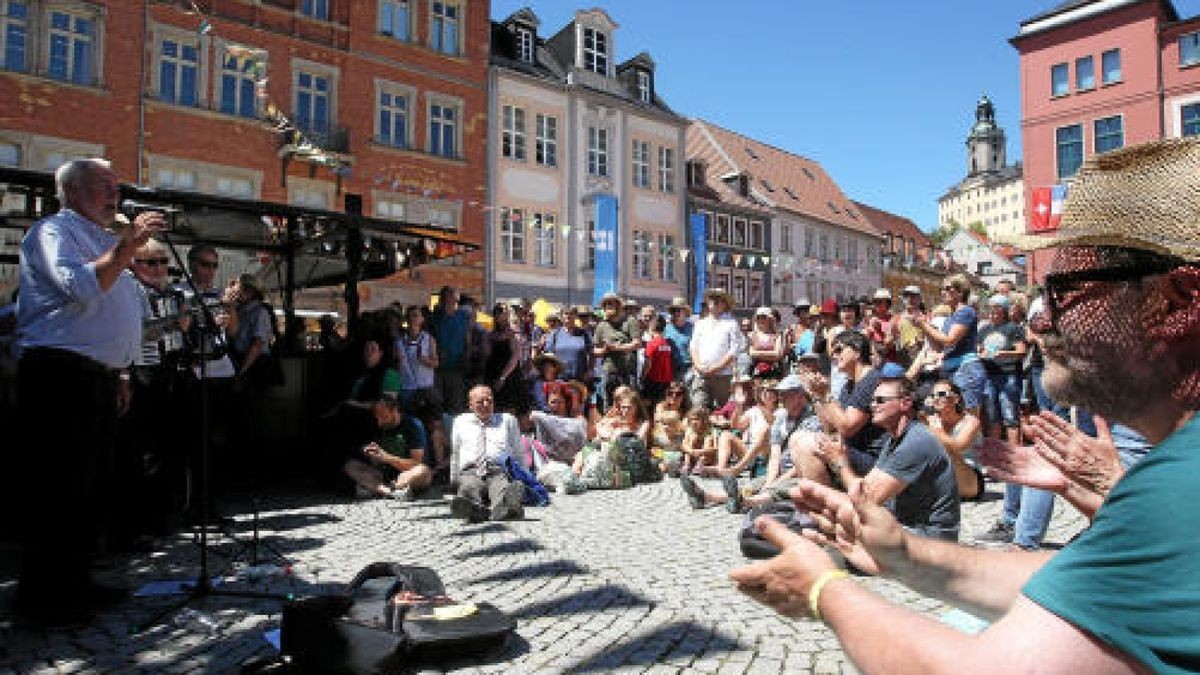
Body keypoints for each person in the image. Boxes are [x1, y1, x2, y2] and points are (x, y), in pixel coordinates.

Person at [730, 137, 1200, 674]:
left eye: (1066, 293)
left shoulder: (1182, 486)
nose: (1041, 320)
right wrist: (904, 555)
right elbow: (1072, 586)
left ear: (1176, 303)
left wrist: (823, 592)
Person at [13, 158, 165, 628]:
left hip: (97, 376)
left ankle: (76, 582)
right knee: (58, 489)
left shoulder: (104, 239)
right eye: (104, 187)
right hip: (59, 374)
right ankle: (44, 600)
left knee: (90, 488)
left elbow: (113, 308)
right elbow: (80, 288)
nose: (114, 195)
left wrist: (120, 372)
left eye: (115, 187)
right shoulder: (52, 232)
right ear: (73, 191)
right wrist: (125, 249)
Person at [681, 374, 823, 512]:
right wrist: (770, 480)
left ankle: (743, 502)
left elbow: (803, 464)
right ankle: (707, 496)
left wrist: (776, 482)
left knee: (778, 488)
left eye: (785, 394)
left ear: (799, 396)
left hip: (800, 473)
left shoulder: (811, 420)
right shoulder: (781, 418)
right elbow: (775, 456)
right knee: (753, 486)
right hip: (777, 467)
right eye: (781, 394)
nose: (782, 398)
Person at [797, 330, 887, 483]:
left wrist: (826, 394)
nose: (833, 356)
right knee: (799, 439)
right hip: (851, 453)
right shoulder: (849, 385)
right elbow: (830, 428)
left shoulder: (871, 380)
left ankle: (826, 500)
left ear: (857, 352)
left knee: (806, 442)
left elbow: (847, 428)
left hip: (874, 462)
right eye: (832, 352)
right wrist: (816, 394)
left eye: (839, 349)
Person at [449, 385, 525, 522]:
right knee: (468, 488)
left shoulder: (507, 420)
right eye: (480, 402)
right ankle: (473, 509)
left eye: (489, 401)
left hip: (498, 470)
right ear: (470, 405)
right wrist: (454, 479)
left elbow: (518, 451)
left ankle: (504, 507)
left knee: (502, 488)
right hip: (470, 471)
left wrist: (523, 476)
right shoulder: (460, 421)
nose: (486, 405)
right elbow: (455, 451)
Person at [914, 273, 985, 416]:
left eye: (948, 288)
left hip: (966, 370)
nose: (943, 292)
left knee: (969, 416)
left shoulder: (966, 312)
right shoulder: (950, 317)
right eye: (942, 289)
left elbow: (950, 340)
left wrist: (924, 325)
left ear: (960, 292)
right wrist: (925, 326)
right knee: (955, 415)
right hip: (952, 370)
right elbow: (941, 346)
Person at [343, 397, 433, 500]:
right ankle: (390, 492)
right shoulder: (378, 425)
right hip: (383, 474)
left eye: (383, 417)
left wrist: (386, 457)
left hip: (406, 475)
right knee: (350, 465)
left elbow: (415, 463)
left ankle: (380, 488)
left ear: (394, 411)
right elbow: (374, 460)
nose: (379, 422)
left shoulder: (413, 425)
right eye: (377, 417)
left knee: (423, 471)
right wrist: (369, 454)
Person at [923, 380, 986, 501]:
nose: (935, 399)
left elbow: (959, 447)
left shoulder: (971, 422)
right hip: (941, 475)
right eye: (932, 396)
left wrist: (938, 432)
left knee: (947, 453)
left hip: (969, 476)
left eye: (941, 394)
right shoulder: (931, 421)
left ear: (956, 399)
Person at [977, 294, 1026, 447]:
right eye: (990, 307)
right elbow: (979, 349)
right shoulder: (984, 330)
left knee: (1011, 417)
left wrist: (1004, 354)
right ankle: (996, 455)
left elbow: (1021, 351)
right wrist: (980, 354)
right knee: (993, 417)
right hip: (989, 375)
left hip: (1009, 375)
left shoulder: (1013, 328)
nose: (993, 311)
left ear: (1004, 310)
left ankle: (1016, 454)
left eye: (996, 307)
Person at [689, 288, 745, 410]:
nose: (714, 302)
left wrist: (717, 367)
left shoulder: (731, 323)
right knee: (698, 407)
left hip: (723, 375)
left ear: (724, 304)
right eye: (712, 299)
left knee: (722, 410)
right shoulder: (700, 323)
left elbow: (734, 350)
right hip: (701, 373)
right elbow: (693, 347)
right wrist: (698, 365)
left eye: (718, 300)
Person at [592, 293, 639, 412]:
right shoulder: (601, 325)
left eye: (611, 303)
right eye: (606, 304)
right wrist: (604, 350)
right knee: (609, 404)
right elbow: (594, 350)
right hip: (609, 371)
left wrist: (617, 348)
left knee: (628, 404)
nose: (608, 306)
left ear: (618, 305)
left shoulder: (630, 321)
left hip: (627, 372)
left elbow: (637, 344)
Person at [430, 286, 471, 414]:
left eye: (455, 301)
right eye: (449, 301)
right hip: (436, 371)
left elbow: (467, 340)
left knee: (456, 408)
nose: (453, 304)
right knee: (437, 407)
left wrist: (466, 357)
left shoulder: (462, 317)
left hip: (456, 371)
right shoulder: (433, 319)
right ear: (441, 301)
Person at [483, 303, 526, 414]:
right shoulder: (490, 335)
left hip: (509, 376)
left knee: (509, 411)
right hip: (492, 374)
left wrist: (502, 377)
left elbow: (515, 358)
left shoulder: (514, 334)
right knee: (493, 408)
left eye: (502, 312)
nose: (499, 315)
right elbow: (487, 355)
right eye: (497, 312)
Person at [543, 306, 592, 384]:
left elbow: (591, 354)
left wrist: (589, 371)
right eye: (566, 313)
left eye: (571, 313)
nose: (568, 316)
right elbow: (549, 355)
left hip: (579, 379)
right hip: (559, 379)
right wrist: (549, 374)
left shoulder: (584, 334)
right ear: (561, 316)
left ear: (576, 316)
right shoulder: (555, 334)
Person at [641, 315, 674, 406]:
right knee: (661, 405)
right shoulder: (667, 343)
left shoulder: (652, 343)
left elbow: (648, 364)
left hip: (653, 381)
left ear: (652, 327)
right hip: (666, 381)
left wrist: (642, 377)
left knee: (649, 406)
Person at [747, 306, 786, 379]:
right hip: (755, 373)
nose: (761, 320)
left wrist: (758, 354)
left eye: (764, 317)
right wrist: (770, 354)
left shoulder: (777, 336)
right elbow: (751, 353)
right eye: (758, 318)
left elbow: (777, 354)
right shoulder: (751, 335)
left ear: (770, 320)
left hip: (774, 373)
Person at [663, 297, 694, 384]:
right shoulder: (667, 328)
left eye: (678, 310)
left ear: (685, 312)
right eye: (673, 311)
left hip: (689, 368)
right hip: (672, 368)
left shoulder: (692, 328)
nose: (676, 313)